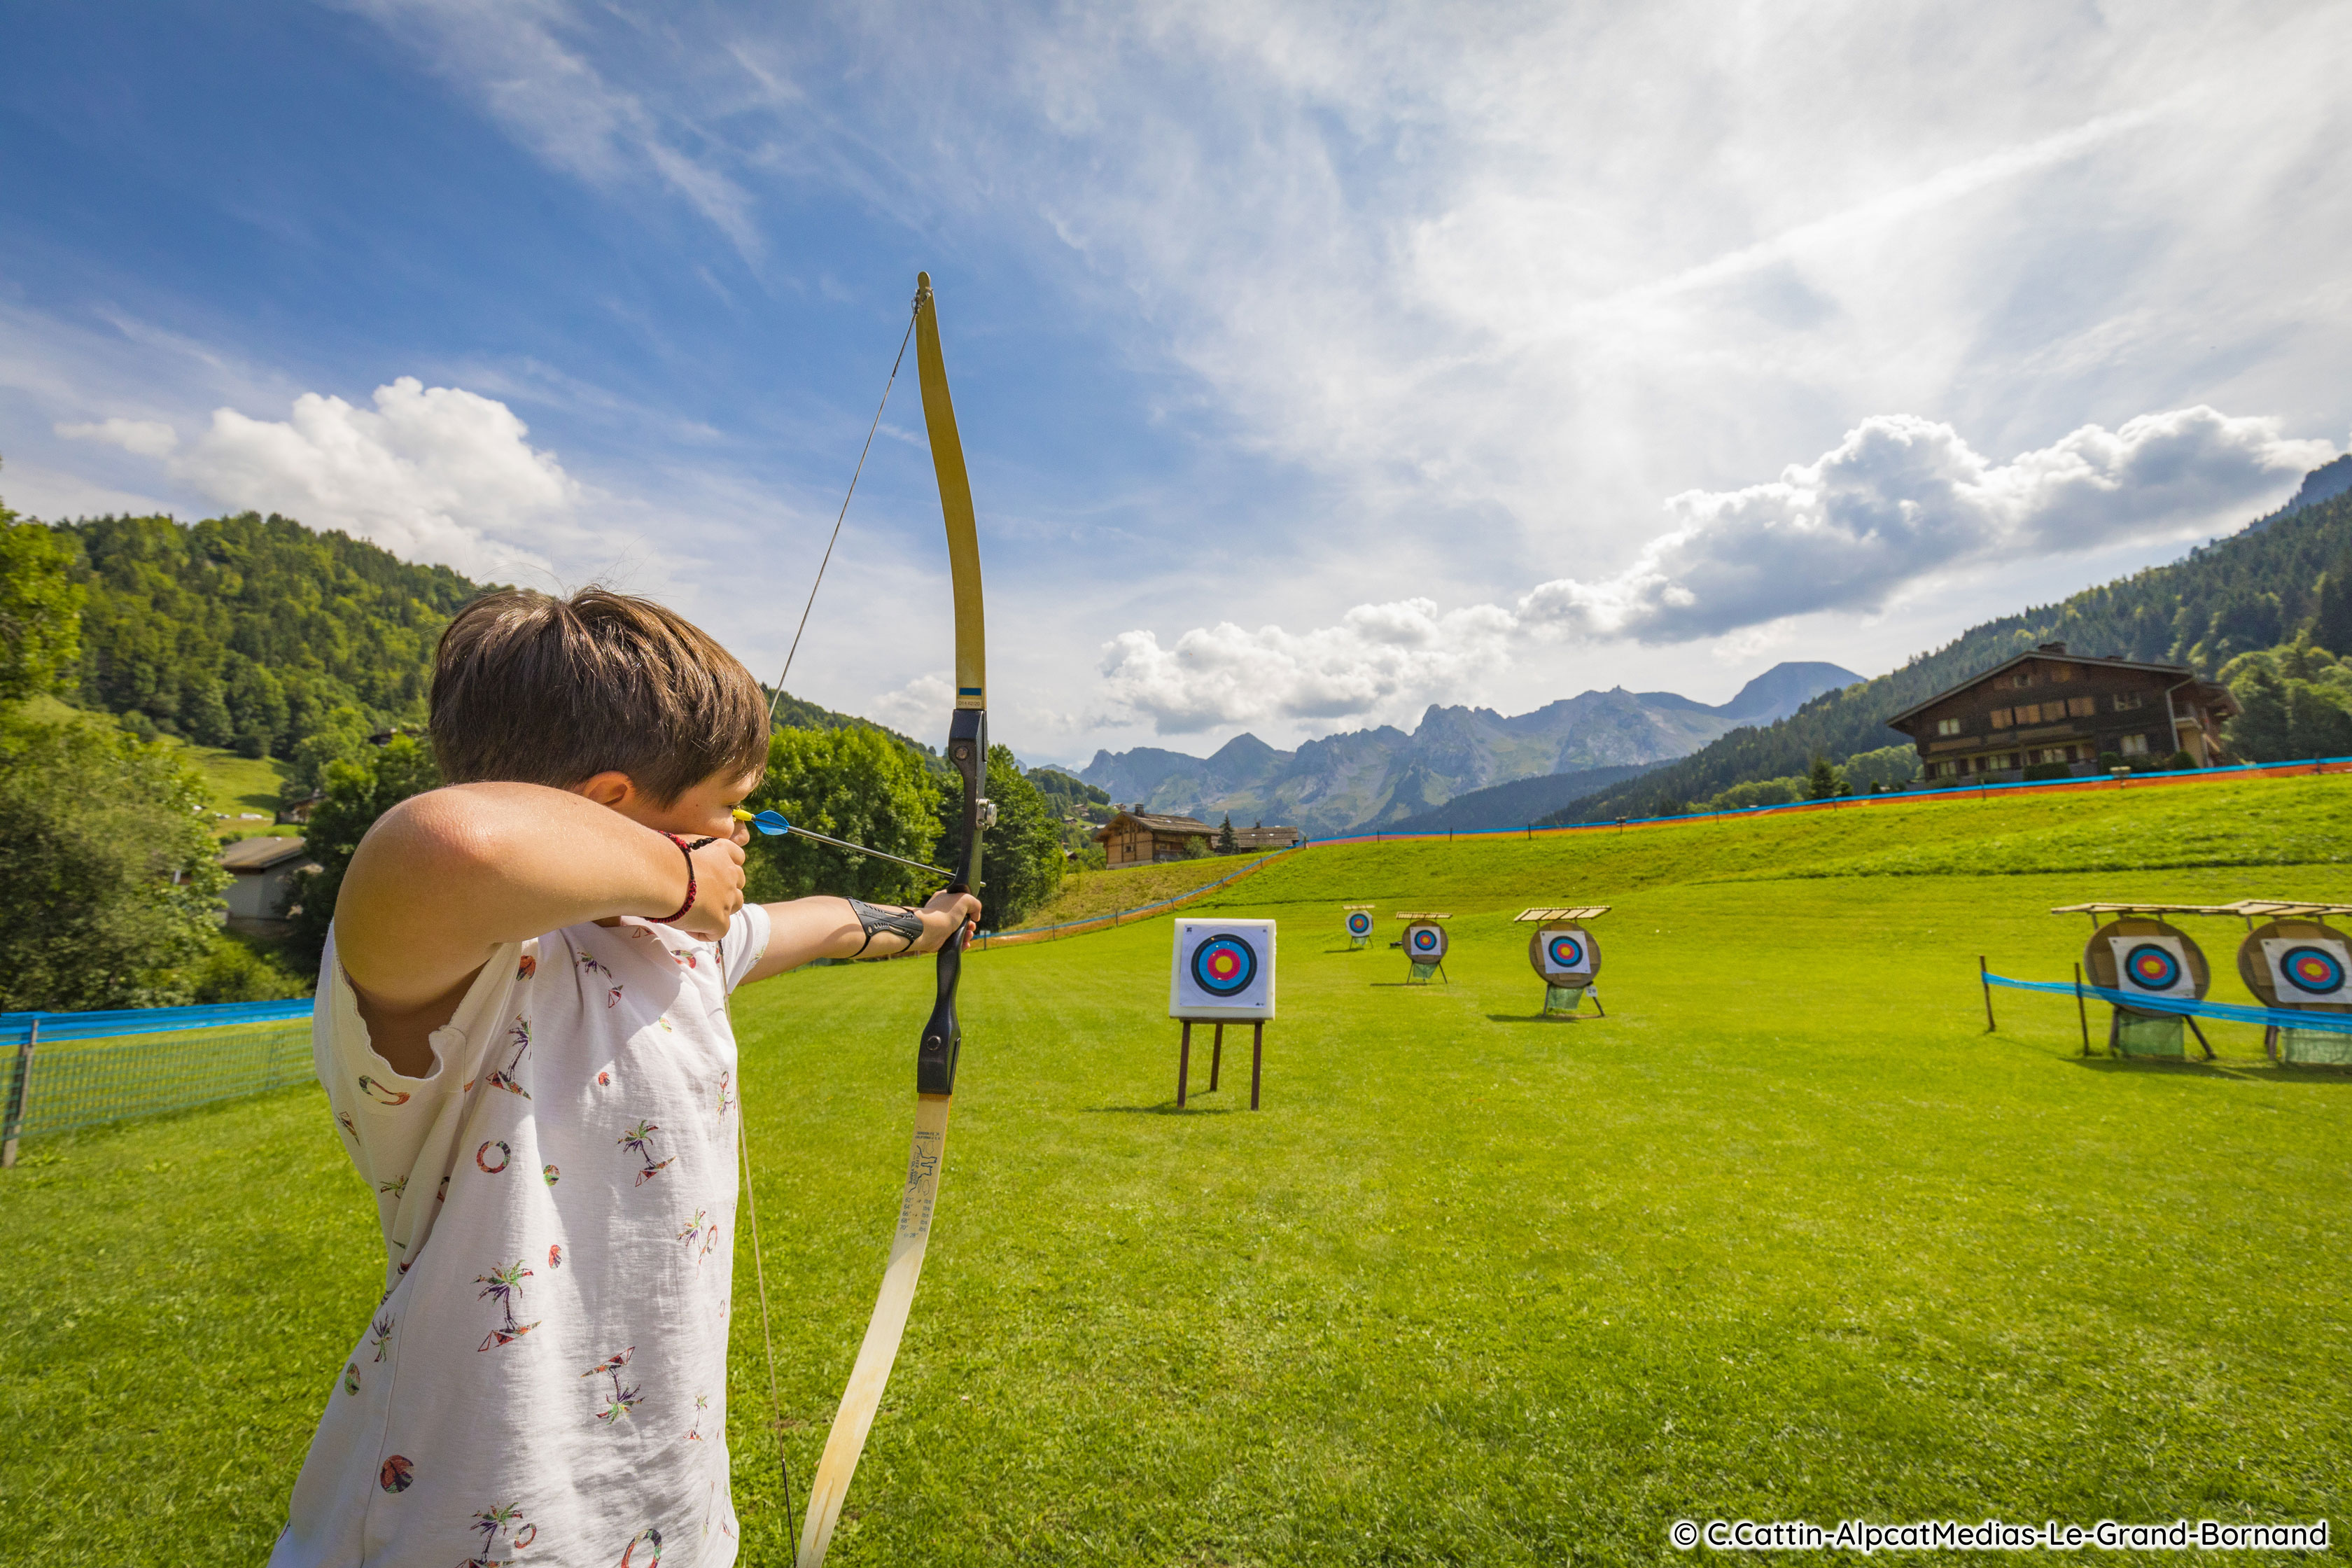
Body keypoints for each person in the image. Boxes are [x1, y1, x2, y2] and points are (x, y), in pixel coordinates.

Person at [270, 587, 979, 1567]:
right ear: (611, 806)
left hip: (662, 1505)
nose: (741, 835)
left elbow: (818, 921)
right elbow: (452, 842)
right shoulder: (465, 979)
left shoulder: (672, 953)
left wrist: (926, 924)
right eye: (729, 807)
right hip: (462, 1518)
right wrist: (676, 874)